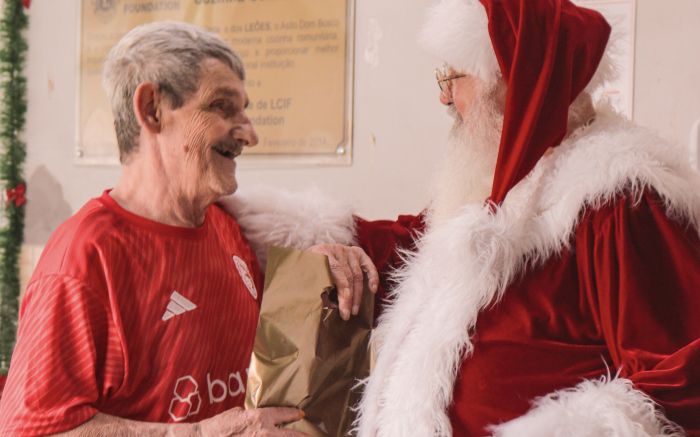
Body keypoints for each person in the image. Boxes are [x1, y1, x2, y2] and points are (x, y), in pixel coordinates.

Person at [0, 21, 378, 436]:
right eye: (221, 106)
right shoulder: (86, 257)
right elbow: (31, 429)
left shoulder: (230, 227)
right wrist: (193, 434)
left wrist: (316, 267)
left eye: (245, 109)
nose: (250, 134)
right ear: (152, 109)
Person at [349, 0, 700, 436]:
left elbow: (680, 381)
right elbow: (413, 239)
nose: (443, 96)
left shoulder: (622, 202)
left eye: (452, 77)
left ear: (516, 80)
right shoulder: (510, 187)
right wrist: (333, 240)